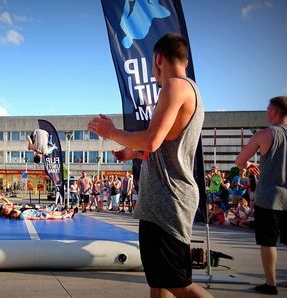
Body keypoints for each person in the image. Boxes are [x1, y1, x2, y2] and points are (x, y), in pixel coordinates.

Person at [88, 33, 211, 297]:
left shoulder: (175, 87)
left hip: (167, 200)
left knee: (180, 285)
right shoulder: (190, 90)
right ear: (185, 60)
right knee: (159, 281)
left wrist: (110, 131)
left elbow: (152, 140)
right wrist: (133, 153)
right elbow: (165, 146)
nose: (154, 77)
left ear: (157, 60)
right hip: (166, 199)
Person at [236, 96, 287, 295]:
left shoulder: (264, 134)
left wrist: (250, 165)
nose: (266, 112)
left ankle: (270, 283)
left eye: (268, 109)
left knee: (268, 241)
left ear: (275, 112)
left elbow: (240, 161)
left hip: (269, 196)